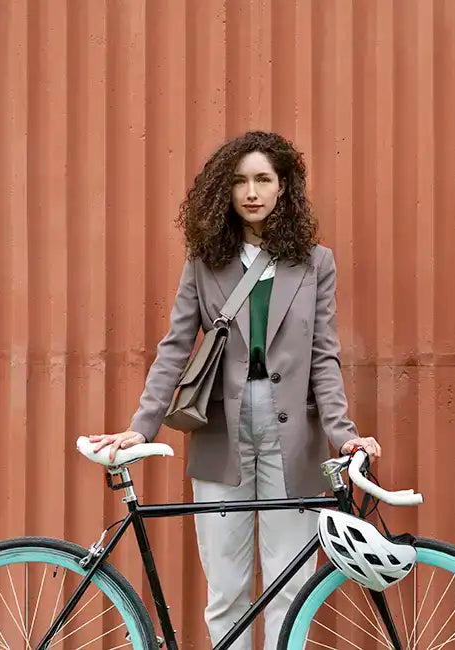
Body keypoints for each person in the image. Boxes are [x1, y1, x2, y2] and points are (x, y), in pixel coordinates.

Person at [88, 130, 381, 650]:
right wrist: (142, 426)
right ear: (225, 192)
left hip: (295, 444)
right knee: (225, 593)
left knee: (290, 591)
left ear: (283, 188)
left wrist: (345, 435)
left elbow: (324, 358)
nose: (251, 191)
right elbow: (175, 348)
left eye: (263, 179)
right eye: (240, 181)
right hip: (221, 438)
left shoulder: (316, 263)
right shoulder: (204, 263)